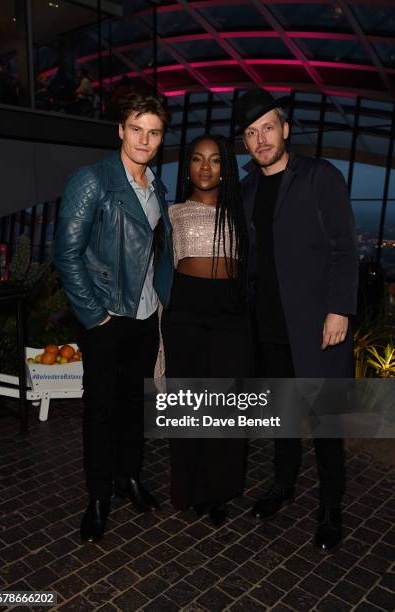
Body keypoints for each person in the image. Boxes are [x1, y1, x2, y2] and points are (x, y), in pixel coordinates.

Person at [234, 88, 358, 551]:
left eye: (268, 127)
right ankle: (283, 485)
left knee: (325, 422)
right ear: (245, 143)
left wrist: (339, 308)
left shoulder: (319, 176)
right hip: (267, 327)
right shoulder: (245, 189)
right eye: (251, 132)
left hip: (317, 325)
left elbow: (344, 245)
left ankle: (330, 506)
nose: (261, 138)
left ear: (285, 130)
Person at [55, 91, 173, 543]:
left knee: (134, 404)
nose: (145, 139)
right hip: (106, 315)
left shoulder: (157, 185)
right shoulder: (94, 180)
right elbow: (66, 254)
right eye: (137, 129)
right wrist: (95, 315)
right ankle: (99, 495)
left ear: (161, 138)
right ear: (121, 130)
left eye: (154, 132)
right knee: (101, 410)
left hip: (144, 314)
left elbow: (154, 248)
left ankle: (129, 478)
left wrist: (162, 298)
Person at [161, 134, 251, 527]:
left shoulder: (242, 212)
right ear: (188, 167)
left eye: (215, 160)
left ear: (225, 168)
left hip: (230, 311)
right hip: (185, 308)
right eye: (197, 159)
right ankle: (190, 486)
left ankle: (219, 490)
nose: (205, 167)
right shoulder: (173, 212)